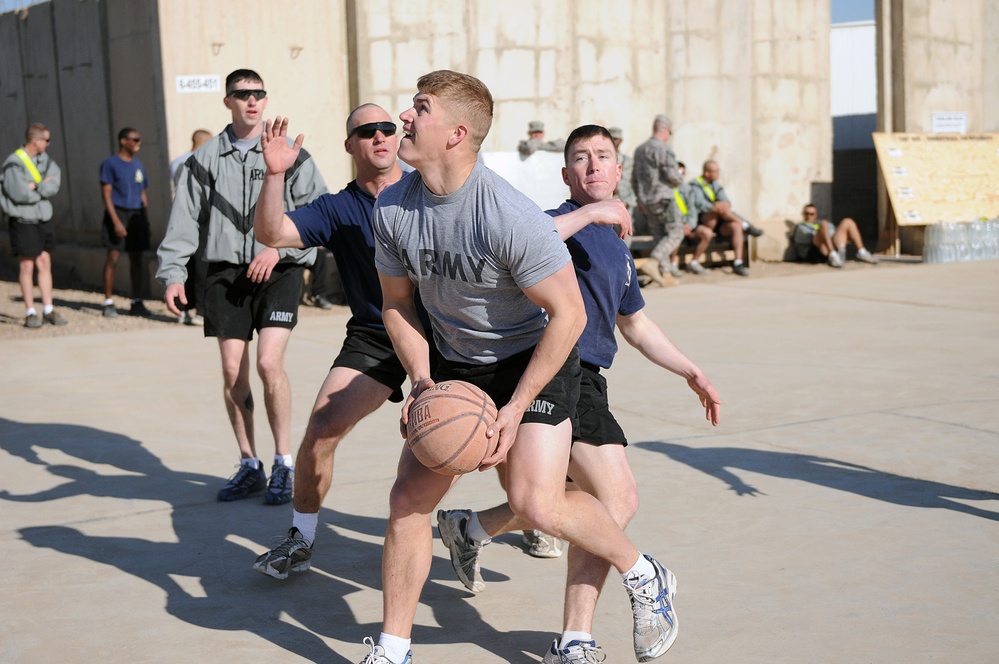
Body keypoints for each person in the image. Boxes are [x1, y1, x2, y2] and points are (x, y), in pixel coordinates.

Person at [363, 70, 674, 664]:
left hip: (533, 360)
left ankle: (642, 572)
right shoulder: (395, 206)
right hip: (454, 363)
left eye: (419, 109)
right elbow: (397, 303)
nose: (404, 117)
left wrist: (514, 407)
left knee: (536, 504)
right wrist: (423, 381)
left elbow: (569, 315)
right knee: (408, 500)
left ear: (456, 133)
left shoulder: (509, 214)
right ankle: (393, 647)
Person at [436, 124, 721, 663]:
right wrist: (592, 214)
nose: (593, 165)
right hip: (547, 368)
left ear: (618, 171)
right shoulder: (553, 222)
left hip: (586, 379)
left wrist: (690, 371)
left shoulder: (619, 251)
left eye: (603, 156)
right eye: (582, 158)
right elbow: (531, 237)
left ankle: (472, 529)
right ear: (566, 174)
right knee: (612, 501)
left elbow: (635, 325)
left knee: (558, 501)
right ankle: (597, 619)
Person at [249, 104, 428, 577]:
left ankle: (505, 520)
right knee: (322, 428)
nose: (380, 136)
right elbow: (271, 232)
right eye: (367, 131)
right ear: (350, 145)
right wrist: (274, 175)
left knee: (484, 436)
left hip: (445, 335)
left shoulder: (428, 190)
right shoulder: (337, 208)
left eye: (387, 128)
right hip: (376, 334)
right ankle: (301, 538)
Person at [156, 68, 327, 504]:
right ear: (228, 101)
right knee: (233, 370)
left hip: (280, 269)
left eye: (258, 93)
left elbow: (318, 214)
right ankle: (249, 463)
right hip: (225, 273)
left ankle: (283, 463)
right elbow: (184, 220)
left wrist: (278, 249)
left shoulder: (292, 154)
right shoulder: (204, 159)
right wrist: (173, 273)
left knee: (269, 363)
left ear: (265, 100)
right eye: (242, 94)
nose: (252, 100)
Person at [1, 122, 66, 328]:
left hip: (42, 218)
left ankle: (48, 309)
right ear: (35, 140)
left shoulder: (45, 160)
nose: (48, 144)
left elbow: (54, 182)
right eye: (46, 139)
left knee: (45, 262)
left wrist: (35, 186)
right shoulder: (14, 163)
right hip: (23, 220)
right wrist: (41, 187)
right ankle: (30, 311)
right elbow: (19, 193)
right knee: (27, 265)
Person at [100, 127, 151, 316]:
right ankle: (108, 301)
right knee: (113, 257)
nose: (138, 143)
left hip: (136, 215)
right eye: (134, 139)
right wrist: (115, 221)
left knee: (136, 259)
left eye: (139, 140)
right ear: (123, 141)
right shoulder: (110, 164)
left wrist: (145, 220)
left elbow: (142, 193)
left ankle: (137, 301)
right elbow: (106, 194)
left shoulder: (138, 165)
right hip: (118, 212)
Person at [686, 160, 763, 277]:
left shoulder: (715, 185)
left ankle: (738, 263)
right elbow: (700, 204)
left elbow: (726, 201)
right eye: (715, 171)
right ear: (707, 172)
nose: (718, 173)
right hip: (704, 220)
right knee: (717, 211)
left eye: (718, 171)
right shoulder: (695, 185)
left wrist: (723, 205)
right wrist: (714, 207)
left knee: (735, 226)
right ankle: (746, 225)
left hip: (720, 221)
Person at [631, 115, 684, 286]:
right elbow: (672, 175)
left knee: (659, 236)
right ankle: (654, 261)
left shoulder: (640, 150)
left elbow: (634, 178)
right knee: (676, 233)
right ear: (665, 130)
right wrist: (680, 180)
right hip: (664, 199)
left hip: (647, 201)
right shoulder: (664, 149)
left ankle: (665, 274)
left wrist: (640, 199)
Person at [169, 128, 213, 326]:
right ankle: (201, 310)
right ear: (203, 143)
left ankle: (183, 308)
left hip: (182, 220)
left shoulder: (176, 162)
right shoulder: (203, 161)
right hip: (200, 220)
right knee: (203, 266)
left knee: (185, 264)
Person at [792, 203, 879, 267]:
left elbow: (833, 231)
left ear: (815, 215)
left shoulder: (819, 223)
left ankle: (861, 252)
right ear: (803, 214)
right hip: (814, 251)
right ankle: (833, 255)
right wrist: (824, 232)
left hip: (829, 244)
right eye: (806, 214)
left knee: (847, 222)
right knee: (824, 225)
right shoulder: (800, 226)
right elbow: (808, 240)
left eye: (811, 214)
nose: (809, 216)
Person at [668, 161, 713, 276]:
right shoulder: (666, 189)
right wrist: (681, 226)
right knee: (677, 232)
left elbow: (692, 211)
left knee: (707, 233)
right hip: (674, 225)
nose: (679, 176)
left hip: (688, 224)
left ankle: (694, 262)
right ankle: (673, 264)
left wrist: (689, 226)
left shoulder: (688, 189)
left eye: (682, 173)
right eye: (677, 173)